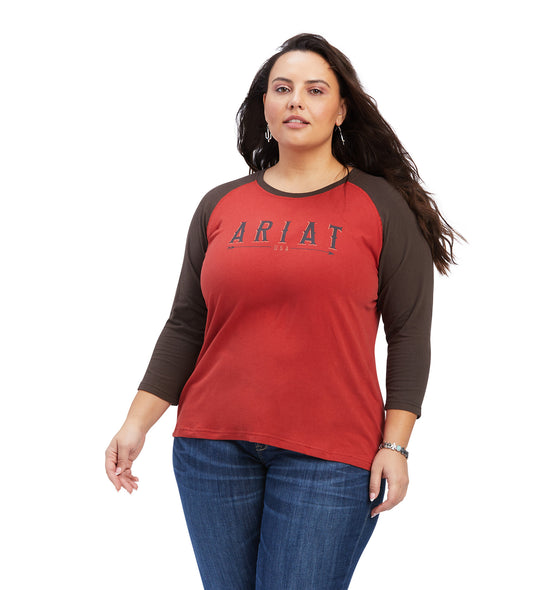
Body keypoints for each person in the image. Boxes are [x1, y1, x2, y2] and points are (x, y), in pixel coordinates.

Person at [105, 33, 460, 590]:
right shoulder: (220, 204)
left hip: (331, 457)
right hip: (211, 447)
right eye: (282, 88)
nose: (297, 100)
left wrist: (395, 445)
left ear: (341, 110)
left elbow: (410, 336)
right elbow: (187, 323)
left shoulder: (382, 207)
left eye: (315, 90)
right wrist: (136, 423)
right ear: (265, 106)